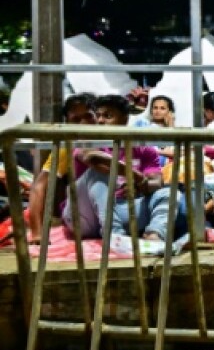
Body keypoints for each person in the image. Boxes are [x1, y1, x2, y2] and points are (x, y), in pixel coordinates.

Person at [64, 94, 179, 243]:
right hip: (84, 216)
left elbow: (156, 182)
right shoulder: (88, 142)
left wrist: (139, 186)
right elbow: (92, 158)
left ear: (124, 119)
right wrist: (137, 177)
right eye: (98, 115)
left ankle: (154, 237)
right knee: (98, 172)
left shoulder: (142, 148)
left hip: (121, 210)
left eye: (108, 116)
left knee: (169, 192)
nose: (100, 121)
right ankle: (114, 235)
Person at [26, 93, 96, 244]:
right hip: (85, 213)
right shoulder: (67, 147)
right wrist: (37, 233)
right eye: (76, 120)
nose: (83, 124)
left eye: (88, 116)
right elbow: (39, 187)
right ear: (67, 122)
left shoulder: (118, 140)